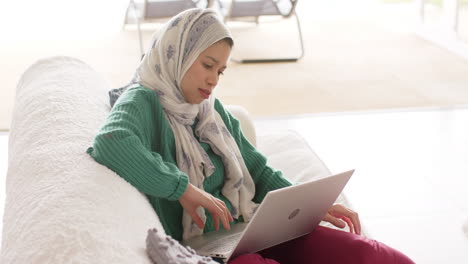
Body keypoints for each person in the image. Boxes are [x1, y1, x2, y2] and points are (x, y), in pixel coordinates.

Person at [87, 8, 415, 264]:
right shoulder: (142, 99)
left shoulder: (209, 109)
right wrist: (182, 189)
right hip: (207, 249)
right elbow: (111, 141)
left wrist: (309, 203)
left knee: (372, 255)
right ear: (178, 54)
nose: (214, 79)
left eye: (220, 70)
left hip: (251, 229)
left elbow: (256, 169)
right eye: (207, 65)